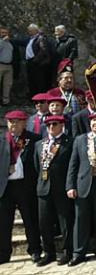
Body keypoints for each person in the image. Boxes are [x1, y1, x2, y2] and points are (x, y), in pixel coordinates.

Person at [66, 111, 96, 266]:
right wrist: (70, 185)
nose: (95, 123)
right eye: (93, 121)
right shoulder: (80, 140)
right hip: (82, 185)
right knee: (80, 220)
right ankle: (78, 252)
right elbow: (73, 164)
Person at [0, 111, 42, 264]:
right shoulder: (2, 140)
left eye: (17, 121)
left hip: (26, 186)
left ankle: (35, 250)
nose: (14, 125)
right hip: (6, 187)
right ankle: (3, 253)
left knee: (30, 220)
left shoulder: (34, 139)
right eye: (11, 122)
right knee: (4, 223)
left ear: (25, 123)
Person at [34, 115, 74, 266]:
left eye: (54, 124)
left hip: (61, 188)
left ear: (61, 125)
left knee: (65, 222)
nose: (51, 127)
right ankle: (49, 253)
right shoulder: (40, 144)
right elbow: (37, 167)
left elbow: (72, 165)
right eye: (48, 124)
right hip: (43, 188)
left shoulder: (69, 142)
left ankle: (67, 252)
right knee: (44, 222)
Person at [25, 24, 56, 97]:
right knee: (32, 81)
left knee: (39, 82)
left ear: (35, 31)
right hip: (31, 62)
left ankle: (40, 98)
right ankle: (35, 98)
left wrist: (35, 60)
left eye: (30, 30)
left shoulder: (40, 38)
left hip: (37, 63)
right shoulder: (32, 39)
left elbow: (43, 50)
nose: (28, 32)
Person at [0, 27, 13, 106]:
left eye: (6, 32)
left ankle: (6, 101)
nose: (4, 34)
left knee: (7, 84)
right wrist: (2, 42)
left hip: (9, 66)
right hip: (0, 64)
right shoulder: (1, 42)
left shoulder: (10, 43)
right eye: (2, 32)